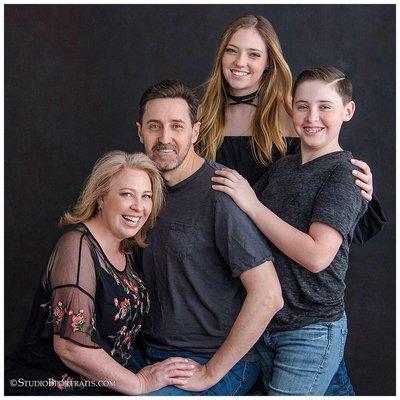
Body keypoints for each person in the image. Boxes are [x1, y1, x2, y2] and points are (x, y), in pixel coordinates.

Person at [196, 14, 386, 394]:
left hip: (299, 294)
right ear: (220, 57)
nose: (240, 62)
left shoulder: (292, 116)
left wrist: (360, 187)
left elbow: (325, 188)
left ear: (269, 63)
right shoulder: (202, 118)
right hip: (232, 274)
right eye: (232, 51)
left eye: (254, 54)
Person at [134, 79, 283, 395]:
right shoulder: (139, 192)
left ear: (195, 132)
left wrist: (210, 372)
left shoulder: (220, 194)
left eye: (177, 126)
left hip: (210, 360)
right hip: (147, 355)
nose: (165, 138)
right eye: (154, 126)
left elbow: (268, 295)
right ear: (140, 132)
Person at [5, 150, 195, 395]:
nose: (139, 206)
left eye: (146, 196)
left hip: (104, 383)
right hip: (52, 383)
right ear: (101, 197)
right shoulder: (76, 245)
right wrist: (140, 383)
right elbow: (70, 346)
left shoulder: (125, 249)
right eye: (127, 194)